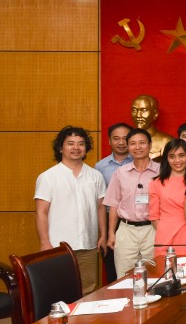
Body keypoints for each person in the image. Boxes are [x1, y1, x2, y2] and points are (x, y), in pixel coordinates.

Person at [34, 126, 106, 295]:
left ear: (86, 148)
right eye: (70, 143)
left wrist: (103, 235)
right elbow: (41, 212)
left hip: (88, 245)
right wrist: (45, 242)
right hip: (58, 247)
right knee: (59, 290)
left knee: (89, 290)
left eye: (81, 143)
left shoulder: (95, 176)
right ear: (61, 148)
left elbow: (101, 207)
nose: (76, 147)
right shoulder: (48, 177)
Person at [104, 128, 160, 276]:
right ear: (128, 147)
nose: (137, 147)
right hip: (126, 230)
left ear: (150, 145)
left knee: (154, 275)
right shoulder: (120, 173)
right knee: (124, 276)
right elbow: (114, 204)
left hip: (152, 230)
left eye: (142, 143)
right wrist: (111, 233)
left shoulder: (162, 171)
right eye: (133, 143)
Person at [94, 121, 132, 283]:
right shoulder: (100, 167)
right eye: (116, 138)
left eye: (125, 138)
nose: (121, 142)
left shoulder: (140, 162)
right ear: (109, 141)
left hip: (134, 221)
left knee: (136, 267)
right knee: (113, 270)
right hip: (111, 221)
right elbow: (100, 202)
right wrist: (105, 233)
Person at [149, 138, 186, 257]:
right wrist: (165, 230)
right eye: (172, 156)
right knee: (164, 267)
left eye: (181, 155)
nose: (177, 160)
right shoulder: (156, 183)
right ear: (166, 159)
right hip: (164, 235)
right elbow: (154, 216)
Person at [130, 94, 175, 159]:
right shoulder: (125, 140)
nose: (138, 115)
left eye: (144, 110)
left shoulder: (167, 141)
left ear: (155, 114)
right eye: (134, 110)